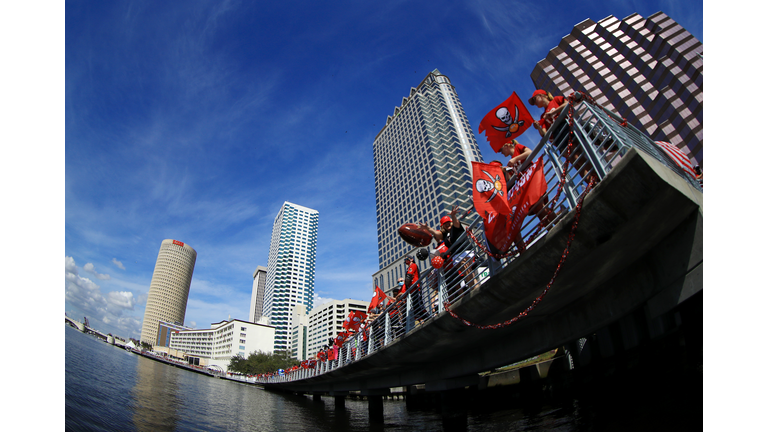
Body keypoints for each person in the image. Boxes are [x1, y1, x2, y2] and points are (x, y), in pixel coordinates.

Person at [529, 89, 591, 177]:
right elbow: (544, 134)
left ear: (541, 96)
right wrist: (539, 127)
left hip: (565, 128)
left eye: (534, 100)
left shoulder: (556, 100)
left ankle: (594, 177)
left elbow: (567, 104)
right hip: (558, 138)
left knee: (578, 157)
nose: (534, 103)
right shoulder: (542, 116)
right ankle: (591, 183)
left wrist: (553, 112)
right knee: (575, 163)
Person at [404, 256, 427, 323]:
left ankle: (426, 318)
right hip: (412, 290)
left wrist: (407, 283)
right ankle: (422, 319)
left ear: (411, 259)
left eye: (407, 258)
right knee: (415, 306)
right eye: (405, 259)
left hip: (416, 288)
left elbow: (409, 276)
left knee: (419, 305)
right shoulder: (408, 268)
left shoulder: (413, 265)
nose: (405, 260)